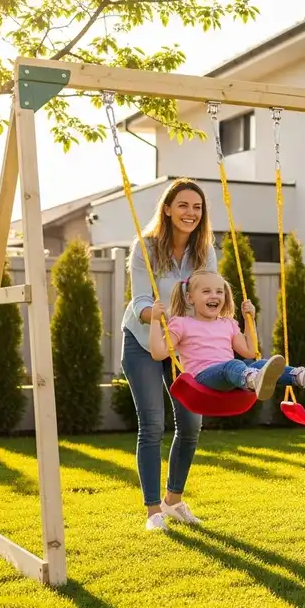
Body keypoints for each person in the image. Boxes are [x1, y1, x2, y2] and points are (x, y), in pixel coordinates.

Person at [121, 178, 218, 533]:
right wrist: (155, 315)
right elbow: (140, 299)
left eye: (197, 207)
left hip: (182, 343)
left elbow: (209, 293)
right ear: (167, 208)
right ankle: (152, 511)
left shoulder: (205, 251)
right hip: (144, 341)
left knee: (191, 424)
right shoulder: (145, 247)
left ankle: (173, 501)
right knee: (151, 424)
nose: (190, 213)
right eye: (183, 206)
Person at [150, 269, 305, 401]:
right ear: (190, 298)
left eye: (219, 291)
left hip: (233, 375)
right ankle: (253, 380)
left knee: (261, 364)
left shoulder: (227, 323)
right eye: (206, 291)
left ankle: (302, 377)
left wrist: (249, 319)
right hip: (202, 379)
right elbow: (159, 354)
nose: (215, 296)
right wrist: (155, 320)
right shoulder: (182, 323)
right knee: (234, 365)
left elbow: (250, 351)